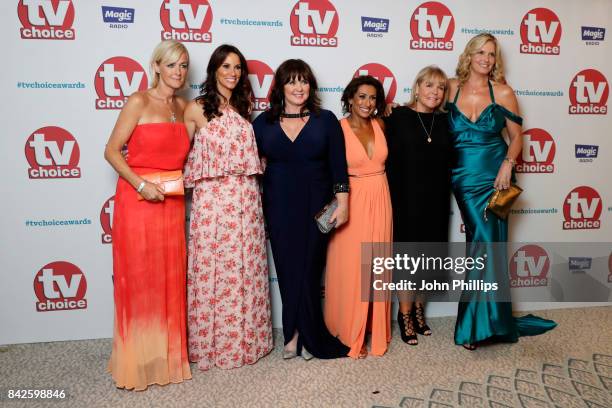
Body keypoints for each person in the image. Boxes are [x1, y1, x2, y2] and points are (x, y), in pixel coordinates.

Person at [447, 33, 556, 349]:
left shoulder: (504, 92)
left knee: (487, 246)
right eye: (480, 52)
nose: (485, 58)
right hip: (464, 179)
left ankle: (477, 326)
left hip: (496, 177)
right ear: (469, 55)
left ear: (496, 60)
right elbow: (424, 114)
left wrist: (508, 164)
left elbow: (517, 137)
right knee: (483, 244)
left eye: (491, 54)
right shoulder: (451, 88)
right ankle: (490, 320)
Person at [104, 40, 192, 390]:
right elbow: (111, 151)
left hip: (170, 205)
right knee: (140, 281)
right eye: (171, 65)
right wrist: (141, 186)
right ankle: (136, 361)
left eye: (184, 66)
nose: (179, 72)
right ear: (156, 66)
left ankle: (164, 359)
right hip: (138, 202)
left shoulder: (184, 106)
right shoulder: (138, 101)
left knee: (168, 281)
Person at [253, 59, 350, 360]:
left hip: (319, 206)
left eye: (304, 81)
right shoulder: (262, 123)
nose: (299, 87)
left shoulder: (326, 120)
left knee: (309, 269)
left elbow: (338, 166)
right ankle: (293, 333)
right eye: (292, 81)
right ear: (280, 87)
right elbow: (251, 167)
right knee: (287, 269)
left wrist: (343, 202)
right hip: (279, 205)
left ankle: (308, 334)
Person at [183, 44, 273, 370]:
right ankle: (213, 346)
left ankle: (247, 342)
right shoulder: (195, 108)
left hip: (246, 201)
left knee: (245, 271)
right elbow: (176, 154)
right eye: (226, 67)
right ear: (214, 70)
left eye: (237, 68)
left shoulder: (245, 108)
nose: (233, 73)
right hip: (212, 204)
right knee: (214, 271)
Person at [324, 75, 392, 358]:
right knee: (352, 266)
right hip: (351, 198)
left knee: (378, 263)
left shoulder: (381, 124)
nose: (367, 103)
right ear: (350, 98)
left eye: (373, 98)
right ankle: (351, 330)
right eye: (361, 96)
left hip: (381, 194)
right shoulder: (337, 129)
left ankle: (373, 327)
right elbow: (331, 169)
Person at [385, 66, 452, 345]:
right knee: (407, 258)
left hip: (436, 199)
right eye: (428, 85)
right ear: (417, 87)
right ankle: (405, 315)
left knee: (430, 256)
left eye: (440, 88)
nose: (434, 92)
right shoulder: (397, 116)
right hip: (404, 198)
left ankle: (419, 311)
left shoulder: (447, 121)